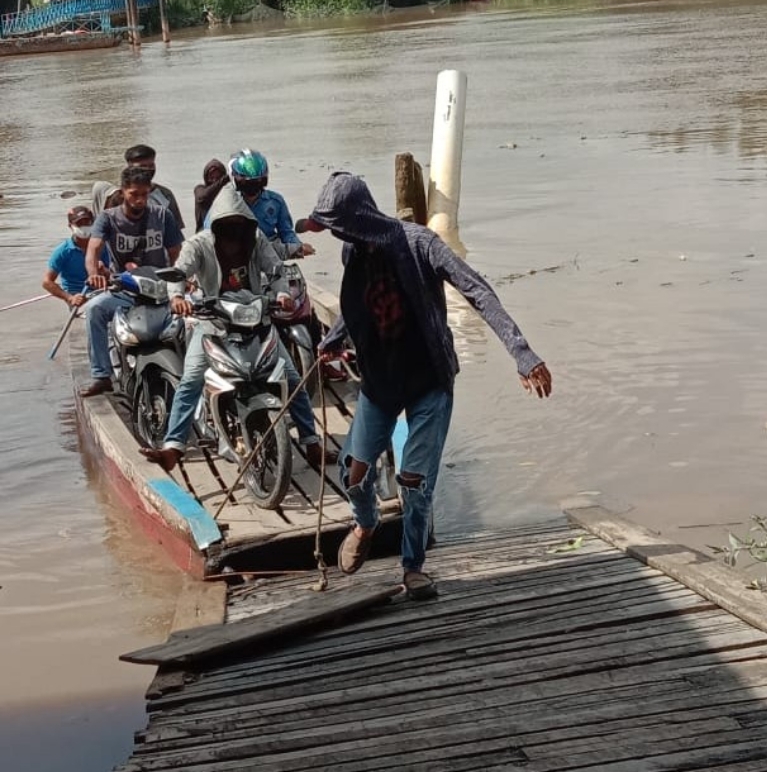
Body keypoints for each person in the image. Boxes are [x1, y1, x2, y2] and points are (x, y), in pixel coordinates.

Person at [301, 171, 553, 601]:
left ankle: (413, 566)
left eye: (337, 225)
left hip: (427, 379)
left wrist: (522, 352)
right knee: (355, 473)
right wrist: (335, 337)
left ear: (358, 219)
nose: (335, 235)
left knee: (414, 480)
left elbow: (479, 291)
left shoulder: (420, 244)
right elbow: (360, 303)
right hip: (379, 380)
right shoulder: (353, 252)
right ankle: (365, 523)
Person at [141, 186, 334, 473]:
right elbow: (180, 272)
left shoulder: (256, 240)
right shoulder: (199, 245)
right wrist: (178, 297)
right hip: (213, 322)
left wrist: (282, 294)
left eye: (239, 224)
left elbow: (277, 270)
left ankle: (311, 442)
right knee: (191, 379)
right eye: (227, 225)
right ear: (216, 225)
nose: (234, 231)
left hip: (255, 319)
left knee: (293, 378)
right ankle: (173, 447)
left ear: (248, 224)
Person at [79, 166, 184, 397]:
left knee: (195, 314)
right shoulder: (107, 218)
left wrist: (183, 279)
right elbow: (92, 251)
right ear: (123, 192)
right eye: (134, 194)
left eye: (144, 194)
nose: (139, 200)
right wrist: (93, 273)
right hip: (124, 290)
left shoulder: (162, 215)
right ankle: (101, 375)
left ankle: (190, 377)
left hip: (160, 290)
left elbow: (177, 253)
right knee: (95, 309)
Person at [228, 149, 315, 259]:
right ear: (236, 179)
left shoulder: (276, 202)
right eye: (248, 182)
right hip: (238, 257)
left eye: (257, 181)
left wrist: (298, 247)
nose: (252, 185)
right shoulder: (228, 204)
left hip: (271, 255)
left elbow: (286, 232)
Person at [43, 206, 106, 307]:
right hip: (78, 296)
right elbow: (47, 282)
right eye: (79, 223)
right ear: (70, 226)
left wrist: (105, 272)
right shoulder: (63, 251)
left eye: (87, 222)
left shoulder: (103, 246)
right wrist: (69, 298)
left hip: (102, 292)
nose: (84, 226)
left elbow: (116, 272)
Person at [124, 144, 185, 230]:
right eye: (143, 166)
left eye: (151, 165)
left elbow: (176, 229)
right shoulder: (120, 195)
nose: (148, 170)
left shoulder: (165, 194)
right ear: (130, 167)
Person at [194, 158, 229, 231]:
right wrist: (224, 179)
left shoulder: (228, 192)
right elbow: (202, 197)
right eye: (211, 178)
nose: (214, 181)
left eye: (218, 177)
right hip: (204, 234)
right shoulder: (199, 189)